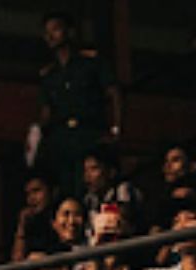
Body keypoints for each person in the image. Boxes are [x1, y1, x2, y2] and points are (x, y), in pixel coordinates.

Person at [37, 11, 121, 199]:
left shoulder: (91, 62)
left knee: (92, 184)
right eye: (46, 32)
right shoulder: (49, 74)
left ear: (70, 32)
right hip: (62, 138)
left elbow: (113, 93)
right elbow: (46, 110)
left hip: (89, 131)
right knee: (66, 189)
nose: (50, 35)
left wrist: (116, 129)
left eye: (56, 29)